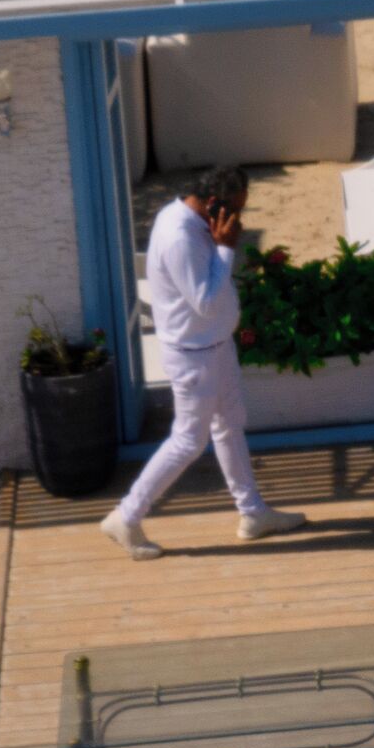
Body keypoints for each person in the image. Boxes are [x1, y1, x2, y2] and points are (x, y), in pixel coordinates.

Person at [101, 166, 307, 559]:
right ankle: (126, 516)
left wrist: (221, 246)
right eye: (236, 211)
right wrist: (227, 248)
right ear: (214, 204)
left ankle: (253, 514)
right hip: (194, 358)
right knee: (187, 441)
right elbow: (206, 302)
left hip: (214, 347)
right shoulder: (179, 236)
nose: (240, 221)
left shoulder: (191, 222)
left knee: (230, 426)